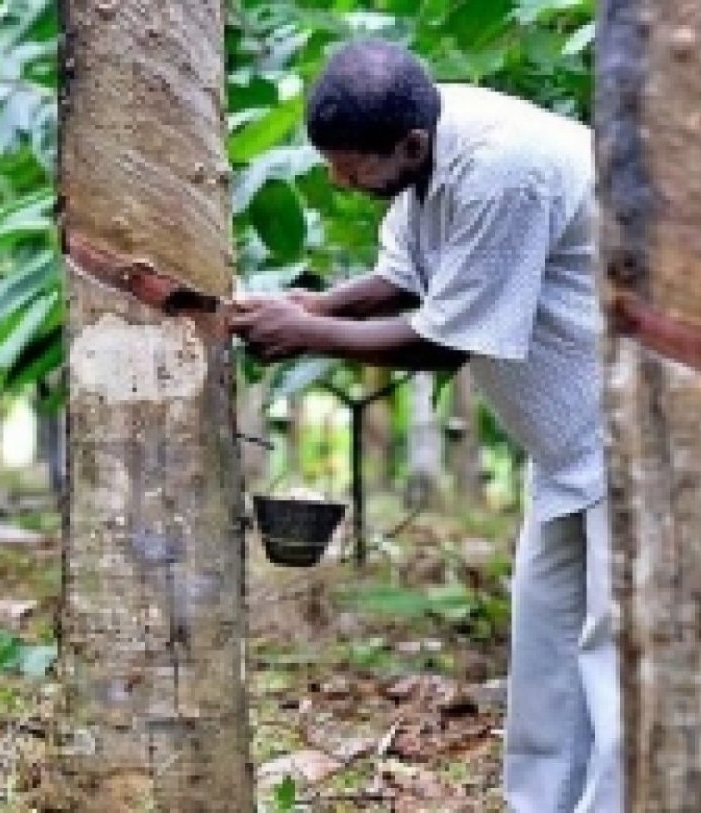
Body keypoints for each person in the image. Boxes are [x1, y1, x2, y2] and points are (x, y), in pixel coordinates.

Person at [229, 40, 622, 812]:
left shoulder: (505, 167)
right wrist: (316, 306)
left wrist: (309, 334)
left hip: (625, 438)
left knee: (613, 650)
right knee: (547, 647)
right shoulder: (425, 144)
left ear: (409, 144)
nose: (340, 182)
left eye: (351, 167)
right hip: (568, 448)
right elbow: (405, 278)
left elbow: (447, 339)